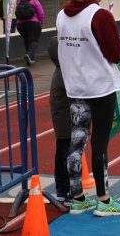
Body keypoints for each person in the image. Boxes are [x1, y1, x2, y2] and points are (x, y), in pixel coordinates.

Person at [56, 0, 120, 217]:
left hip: (75, 87)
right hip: (99, 87)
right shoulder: (99, 16)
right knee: (99, 143)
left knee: (76, 141)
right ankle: (104, 200)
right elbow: (115, 53)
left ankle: (77, 198)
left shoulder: (61, 15)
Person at [47, 36, 72, 206]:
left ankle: (64, 189)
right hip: (65, 117)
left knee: (64, 151)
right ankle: (64, 189)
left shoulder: (63, 69)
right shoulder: (66, 72)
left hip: (64, 116)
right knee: (65, 152)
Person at [16, 0, 45, 65]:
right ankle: (28, 55)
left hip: (20, 25)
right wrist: (41, 21)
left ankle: (29, 59)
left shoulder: (19, 2)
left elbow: (17, 13)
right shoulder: (34, 1)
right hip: (33, 23)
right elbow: (40, 12)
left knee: (27, 40)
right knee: (33, 41)